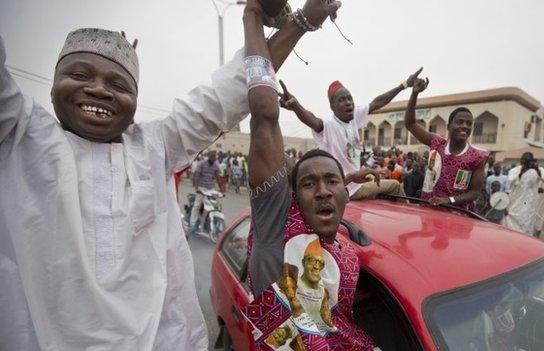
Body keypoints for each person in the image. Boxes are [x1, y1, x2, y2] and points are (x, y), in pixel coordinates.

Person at [0, 0, 331, 348]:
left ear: (135, 101)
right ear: (52, 89)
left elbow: (238, 90)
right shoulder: (21, 137)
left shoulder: (155, 146)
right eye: (80, 75)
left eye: (119, 84)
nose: (99, 90)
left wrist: (303, 20)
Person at [241, 2, 381, 347]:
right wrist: (254, 15)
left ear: (346, 192)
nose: (322, 191)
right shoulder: (277, 226)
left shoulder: (348, 256)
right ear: (292, 195)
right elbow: (263, 112)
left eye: (332, 181)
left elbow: (339, 312)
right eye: (308, 183)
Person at [277, 71, 418, 200]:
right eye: (342, 100)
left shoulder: (354, 117)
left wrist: (404, 85)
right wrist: (296, 107)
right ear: (332, 107)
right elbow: (311, 119)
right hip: (348, 189)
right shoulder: (328, 125)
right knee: (395, 185)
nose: (348, 103)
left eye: (349, 98)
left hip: (359, 183)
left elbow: (378, 102)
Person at [404, 69, 489, 209]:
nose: (464, 126)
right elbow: (410, 123)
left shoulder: (477, 157)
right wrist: (414, 93)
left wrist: (448, 200)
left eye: (469, 124)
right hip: (428, 212)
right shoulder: (436, 143)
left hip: (457, 217)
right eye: (460, 122)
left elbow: (475, 192)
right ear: (449, 126)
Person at [502, 152, 544, 235]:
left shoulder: (539, 170)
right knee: (510, 223)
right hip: (515, 202)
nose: (524, 162)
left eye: (527, 161)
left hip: (529, 204)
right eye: (522, 160)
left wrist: (537, 170)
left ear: (532, 161)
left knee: (527, 225)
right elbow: (510, 182)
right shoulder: (515, 170)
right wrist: (521, 173)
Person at [190, 151, 221, 234]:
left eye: (215, 157)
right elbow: (196, 175)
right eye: (212, 156)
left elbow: (218, 176)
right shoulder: (201, 163)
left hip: (210, 188)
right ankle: (192, 224)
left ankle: (204, 224)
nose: (213, 158)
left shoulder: (215, 165)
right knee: (197, 205)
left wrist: (221, 189)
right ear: (209, 156)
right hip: (201, 187)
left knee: (210, 207)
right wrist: (197, 188)